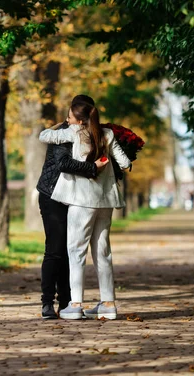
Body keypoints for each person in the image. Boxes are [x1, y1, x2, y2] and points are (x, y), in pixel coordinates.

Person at [39, 100, 131, 320]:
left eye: (70, 116)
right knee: (103, 252)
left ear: (79, 121)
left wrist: (59, 128)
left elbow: (44, 136)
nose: (67, 119)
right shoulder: (107, 133)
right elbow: (126, 163)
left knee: (76, 251)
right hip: (106, 202)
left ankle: (76, 304)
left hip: (82, 201)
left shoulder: (74, 132)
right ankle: (108, 304)